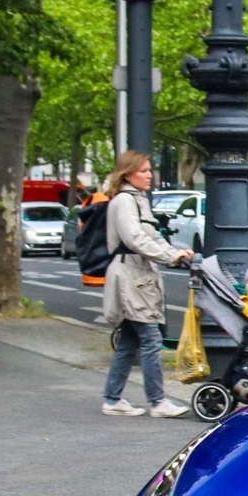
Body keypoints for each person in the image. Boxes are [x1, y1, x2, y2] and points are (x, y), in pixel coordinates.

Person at [98, 150, 194, 417]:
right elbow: (134, 239)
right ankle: (158, 401)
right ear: (128, 174)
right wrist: (168, 256)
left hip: (138, 274)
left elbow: (151, 234)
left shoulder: (136, 200)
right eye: (144, 171)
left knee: (130, 340)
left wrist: (175, 252)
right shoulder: (125, 202)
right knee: (151, 338)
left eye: (150, 170)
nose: (150, 175)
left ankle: (112, 398)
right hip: (131, 275)